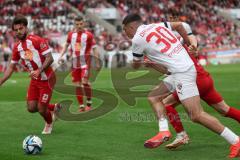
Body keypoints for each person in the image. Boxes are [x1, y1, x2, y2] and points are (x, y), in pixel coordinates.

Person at [122, 13, 240, 158]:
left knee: (196, 115)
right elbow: (178, 25)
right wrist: (189, 43)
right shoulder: (157, 25)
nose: (124, 32)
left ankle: (235, 140)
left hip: (183, 73)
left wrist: (136, 62)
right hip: (181, 71)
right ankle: (164, 131)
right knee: (154, 97)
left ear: (131, 26)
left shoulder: (137, 39)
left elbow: (135, 66)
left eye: (124, 29)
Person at [0, 15, 59, 134]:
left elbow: (50, 58)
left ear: (26, 28)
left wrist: (39, 70)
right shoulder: (17, 47)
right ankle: (54, 107)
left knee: (42, 109)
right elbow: (11, 67)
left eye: (20, 29)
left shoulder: (37, 40)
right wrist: (1, 81)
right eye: (16, 30)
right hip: (35, 80)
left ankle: (49, 123)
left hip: (47, 78)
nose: (18, 32)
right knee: (31, 108)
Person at [58, 17, 100, 112]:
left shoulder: (88, 35)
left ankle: (89, 103)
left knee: (84, 83)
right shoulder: (71, 35)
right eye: (77, 24)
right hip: (75, 63)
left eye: (81, 24)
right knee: (77, 85)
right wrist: (60, 55)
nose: (79, 26)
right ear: (74, 24)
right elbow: (66, 45)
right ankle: (81, 106)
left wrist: (97, 62)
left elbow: (95, 48)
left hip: (85, 63)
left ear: (84, 23)